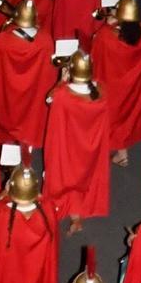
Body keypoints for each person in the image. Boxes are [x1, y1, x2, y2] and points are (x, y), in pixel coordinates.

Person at [44, 50, 111, 235]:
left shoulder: (63, 94)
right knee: (84, 177)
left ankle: (70, 211)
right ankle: (78, 213)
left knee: (64, 177)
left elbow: (49, 99)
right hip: (90, 149)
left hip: (68, 147)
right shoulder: (102, 91)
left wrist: (61, 80)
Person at [90, 0, 141, 167]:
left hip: (111, 85)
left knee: (109, 118)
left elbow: (95, 55)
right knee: (127, 117)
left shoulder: (106, 35)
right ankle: (122, 153)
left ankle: (104, 153)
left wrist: (110, 23)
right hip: (134, 85)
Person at [0, 0, 57, 149]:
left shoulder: (1, 41)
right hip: (33, 103)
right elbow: (50, 76)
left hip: (6, 98)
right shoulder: (46, 41)